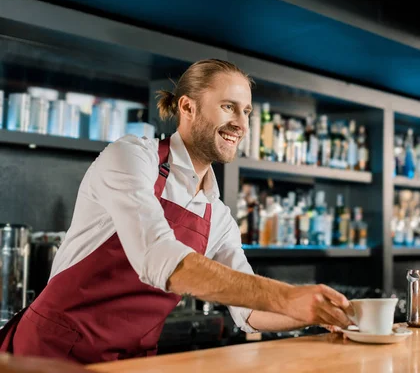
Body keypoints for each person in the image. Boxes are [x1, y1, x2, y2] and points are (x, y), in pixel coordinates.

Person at [0, 59, 353, 364]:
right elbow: (157, 255)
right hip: (48, 355)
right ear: (187, 107)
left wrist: (317, 310)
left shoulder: (218, 215)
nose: (242, 124)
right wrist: (288, 296)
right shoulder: (132, 157)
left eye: (246, 111)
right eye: (228, 107)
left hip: (129, 364)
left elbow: (249, 314)